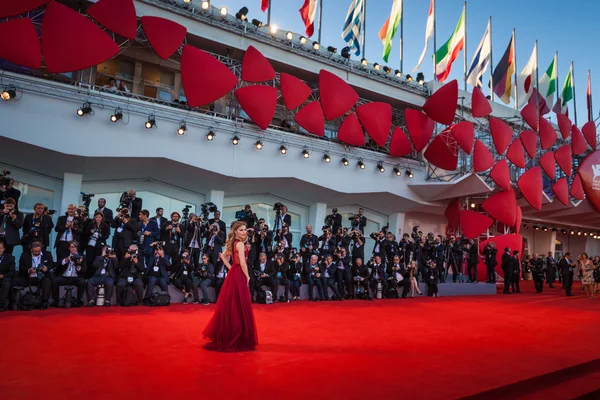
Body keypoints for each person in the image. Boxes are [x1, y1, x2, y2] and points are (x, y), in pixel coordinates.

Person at [202, 221, 258, 352]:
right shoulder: (240, 244)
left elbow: (222, 256)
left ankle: (230, 334)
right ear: (236, 232)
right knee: (240, 304)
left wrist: (231, 268)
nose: (244, 232)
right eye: (241, 230)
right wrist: (248, 276)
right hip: (239, 275)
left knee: (233, 304)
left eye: (245, 230)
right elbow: (243, 264)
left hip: (234, 273)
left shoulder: (233, 243)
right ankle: (237, 336)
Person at [0, 241, 15, 311]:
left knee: (6, 282)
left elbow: (11, 272)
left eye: (0, 248)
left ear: (4, 249)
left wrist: (3, 276)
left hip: (4, 277)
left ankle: (1, 305)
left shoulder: (10, 258)